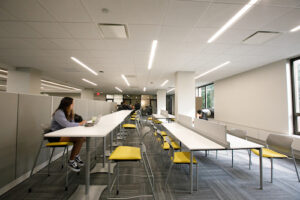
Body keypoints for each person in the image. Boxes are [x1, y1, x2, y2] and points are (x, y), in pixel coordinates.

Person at [50, 97, 86, 172]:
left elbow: (71, 123)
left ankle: (75, 155)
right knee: (80, 138)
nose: (73, 105)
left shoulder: (69, 112)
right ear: (67, 104)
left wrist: (79, 124)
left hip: (64, 134)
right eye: (72, 103)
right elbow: (67, 124)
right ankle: (71, 161)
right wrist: (79, 124)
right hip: (56, 136)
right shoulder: (59, 113)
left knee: (83, 138)